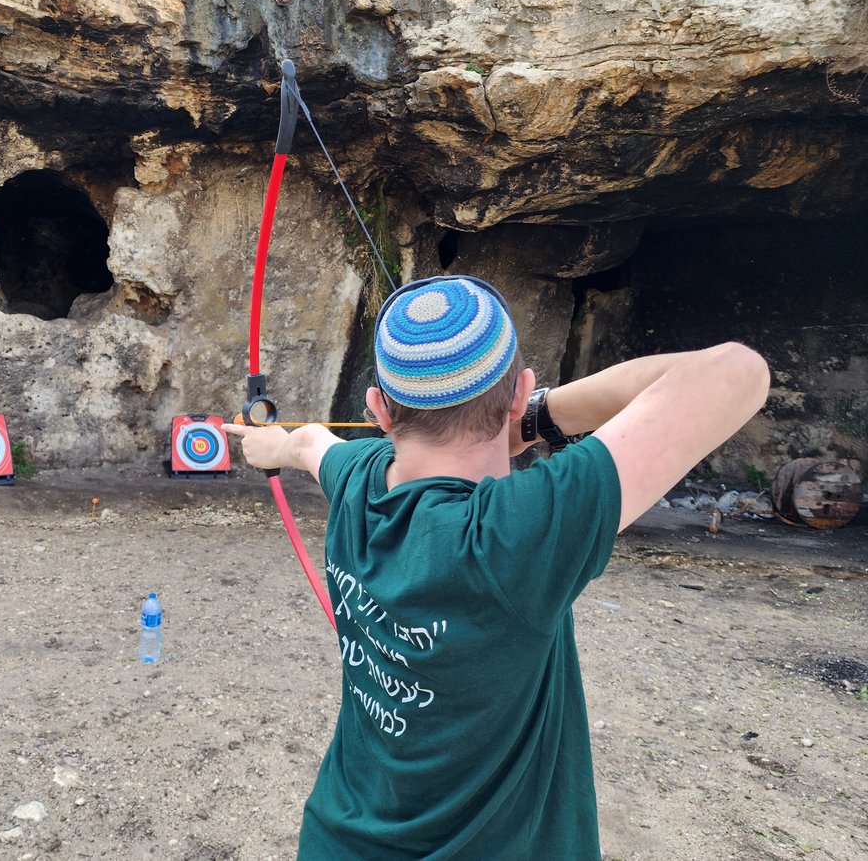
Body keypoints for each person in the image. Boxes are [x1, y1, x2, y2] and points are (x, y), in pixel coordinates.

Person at [222, 275, 769, 860]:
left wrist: (268, 446)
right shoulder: (516, 531)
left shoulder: (358, 477)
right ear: (519, 392)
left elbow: (308, 444)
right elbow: (738, 371)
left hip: (339, 840)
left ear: (379, 408)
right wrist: (533, 418)